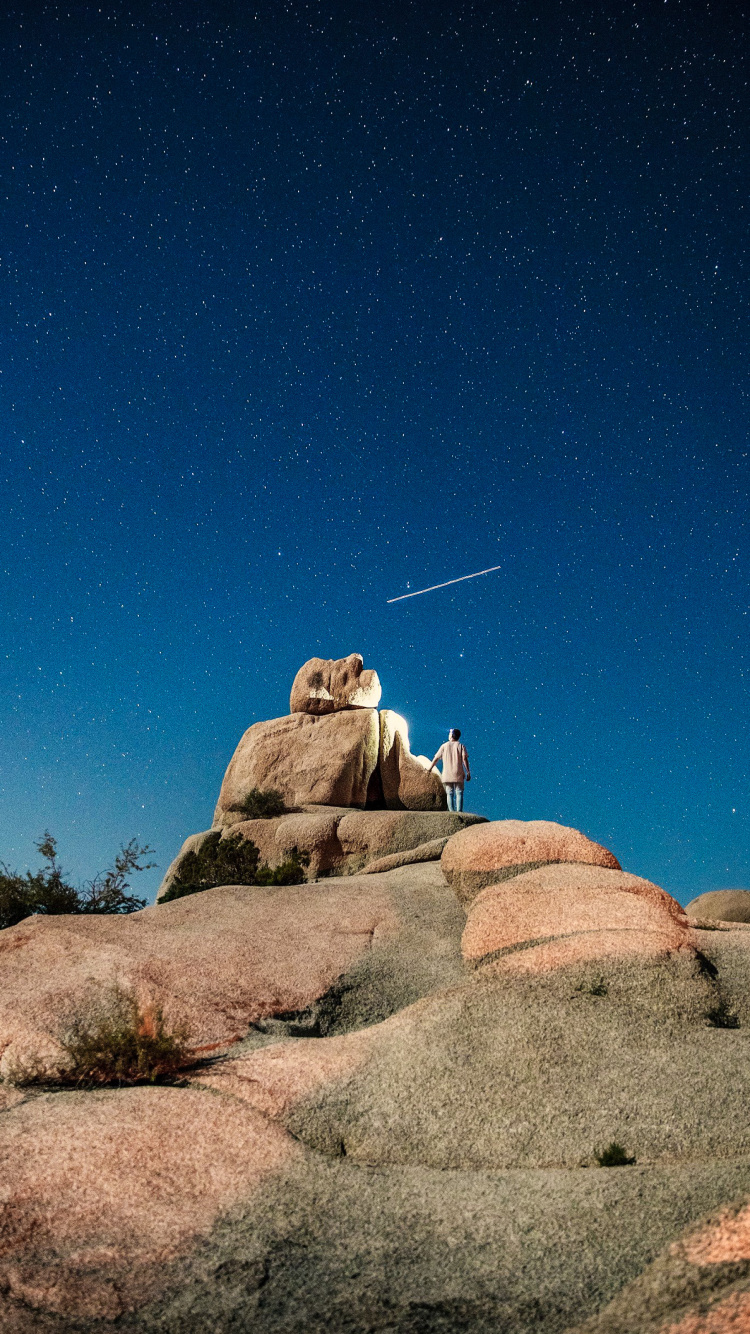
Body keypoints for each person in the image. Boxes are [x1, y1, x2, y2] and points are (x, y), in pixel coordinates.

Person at [429, 729, 471, 812]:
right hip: (458, 773)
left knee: (449, 793)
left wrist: (430, 768)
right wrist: (468, 772)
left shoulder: (444, 746)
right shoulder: (461, 746)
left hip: (447, 773)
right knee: (459, 792)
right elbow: (464, 759)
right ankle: (459, 811)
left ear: (452, 735)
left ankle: (451, 811)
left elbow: (436, 758)